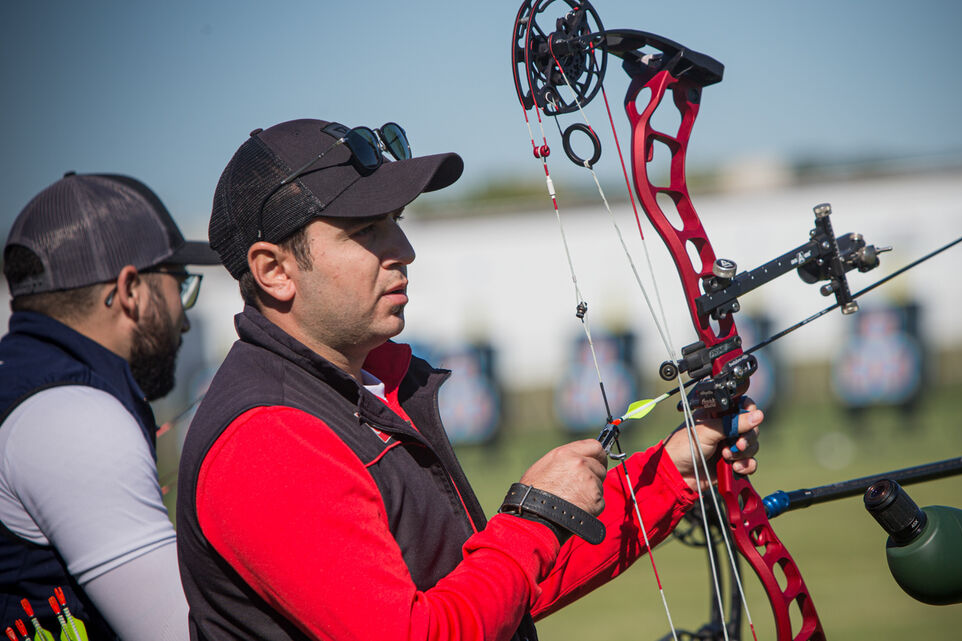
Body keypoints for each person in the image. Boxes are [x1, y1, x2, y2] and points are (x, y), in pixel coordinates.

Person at [176, 119, 763, 641]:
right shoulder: (271, 439)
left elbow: (489, 593)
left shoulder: (364, 394)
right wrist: (534, 518)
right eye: (365, 231)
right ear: (274, 271)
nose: (402, 249)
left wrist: (671, 471)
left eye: (395, 223)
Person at [0, 173, 221, 640]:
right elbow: (180, 633)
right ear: (130, 291)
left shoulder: (23, 380)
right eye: (179, 286)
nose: (184, 319)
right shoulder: (72, 418)